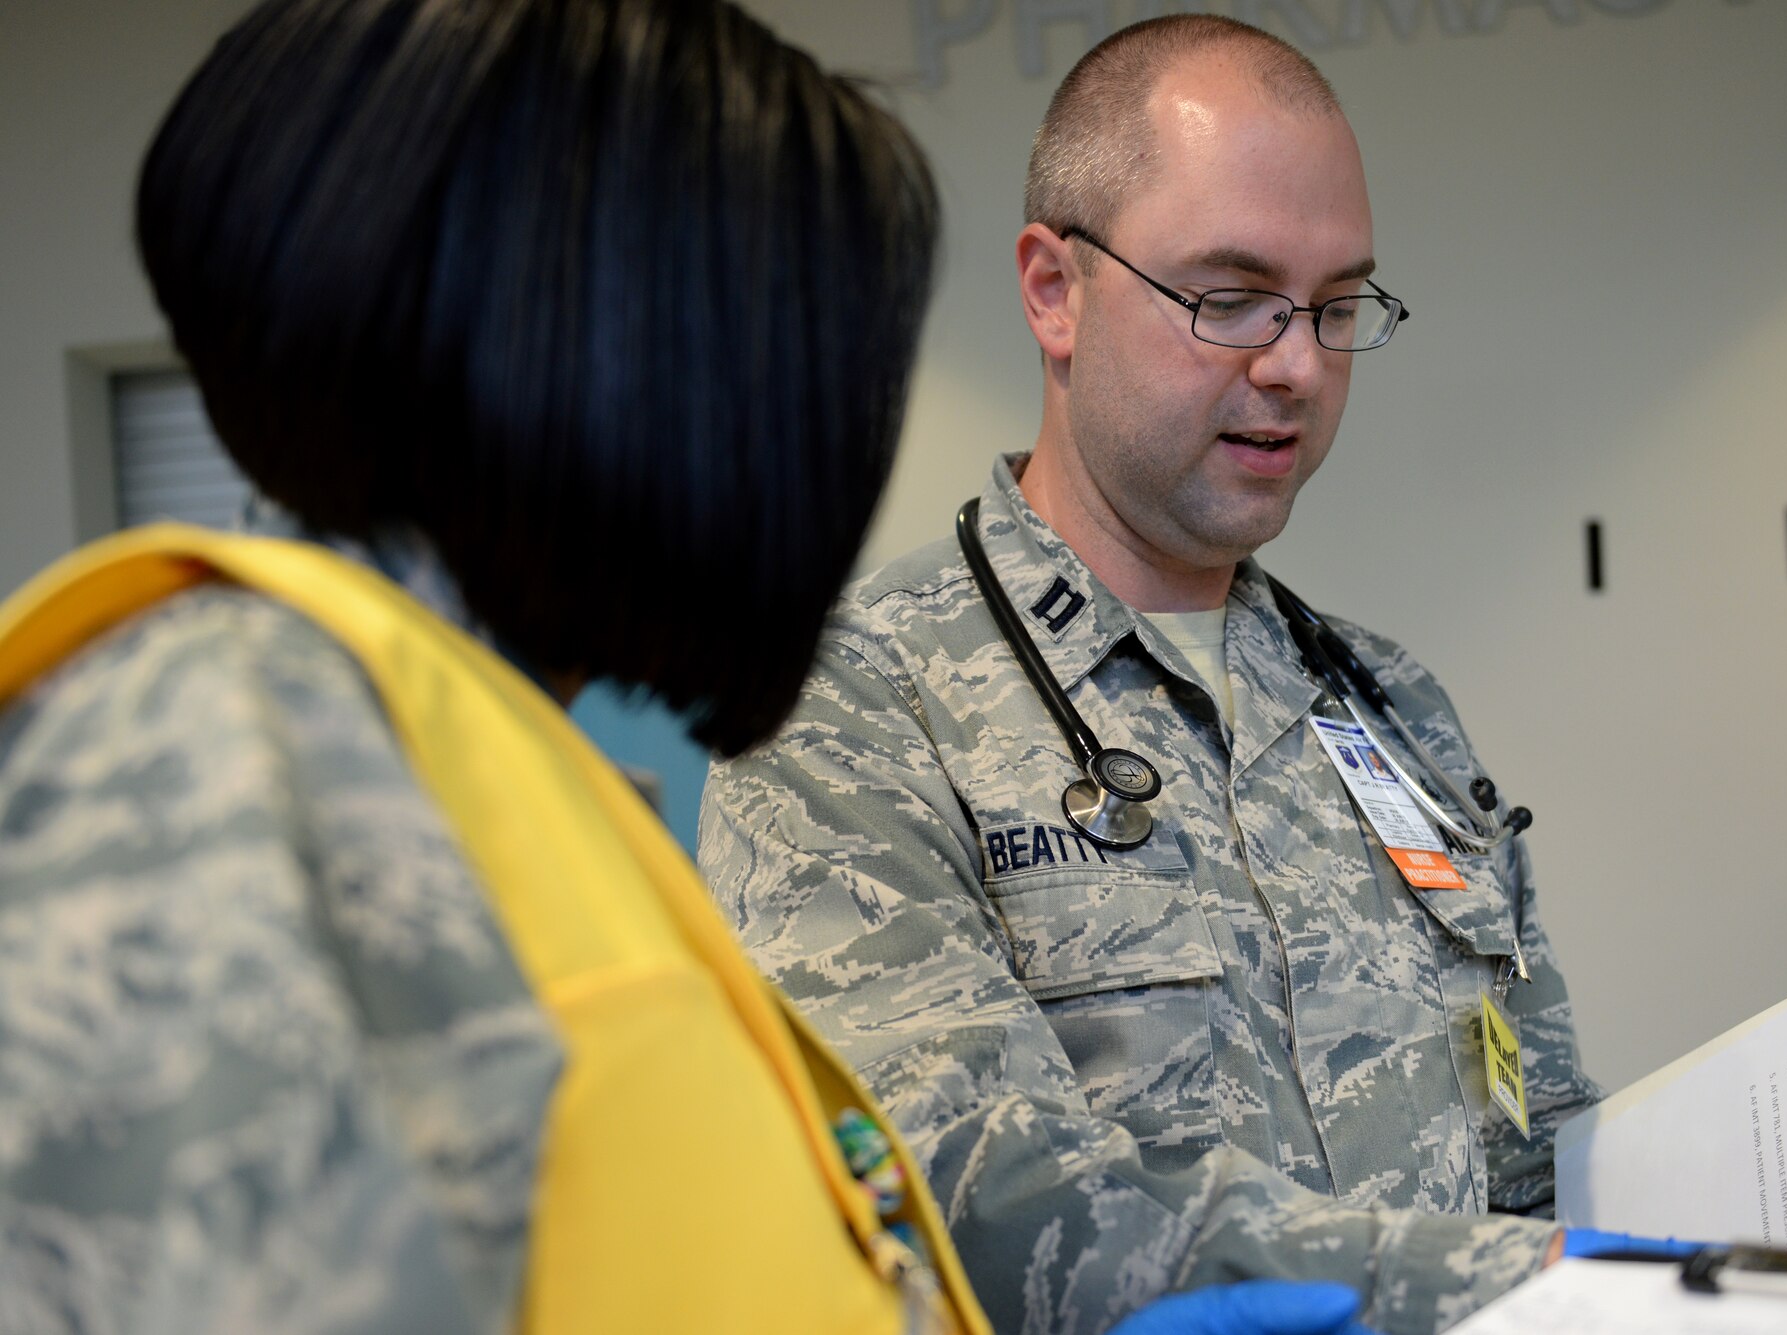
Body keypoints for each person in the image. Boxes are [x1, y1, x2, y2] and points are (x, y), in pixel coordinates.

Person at [0, 3, 1370, 1333]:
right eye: (814, 358)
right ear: (591, 360)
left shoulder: (487, 753)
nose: (840, 439)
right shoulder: (225, 738)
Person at [699, 15, 1605, 1335]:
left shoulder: (1388, 709)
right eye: (1230, 297)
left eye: (1337, 305)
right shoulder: (850, 703)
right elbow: (982, 1202)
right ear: (1054, 291)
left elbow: (1531, 1123)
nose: (1296, 363)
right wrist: (1531, 1284)